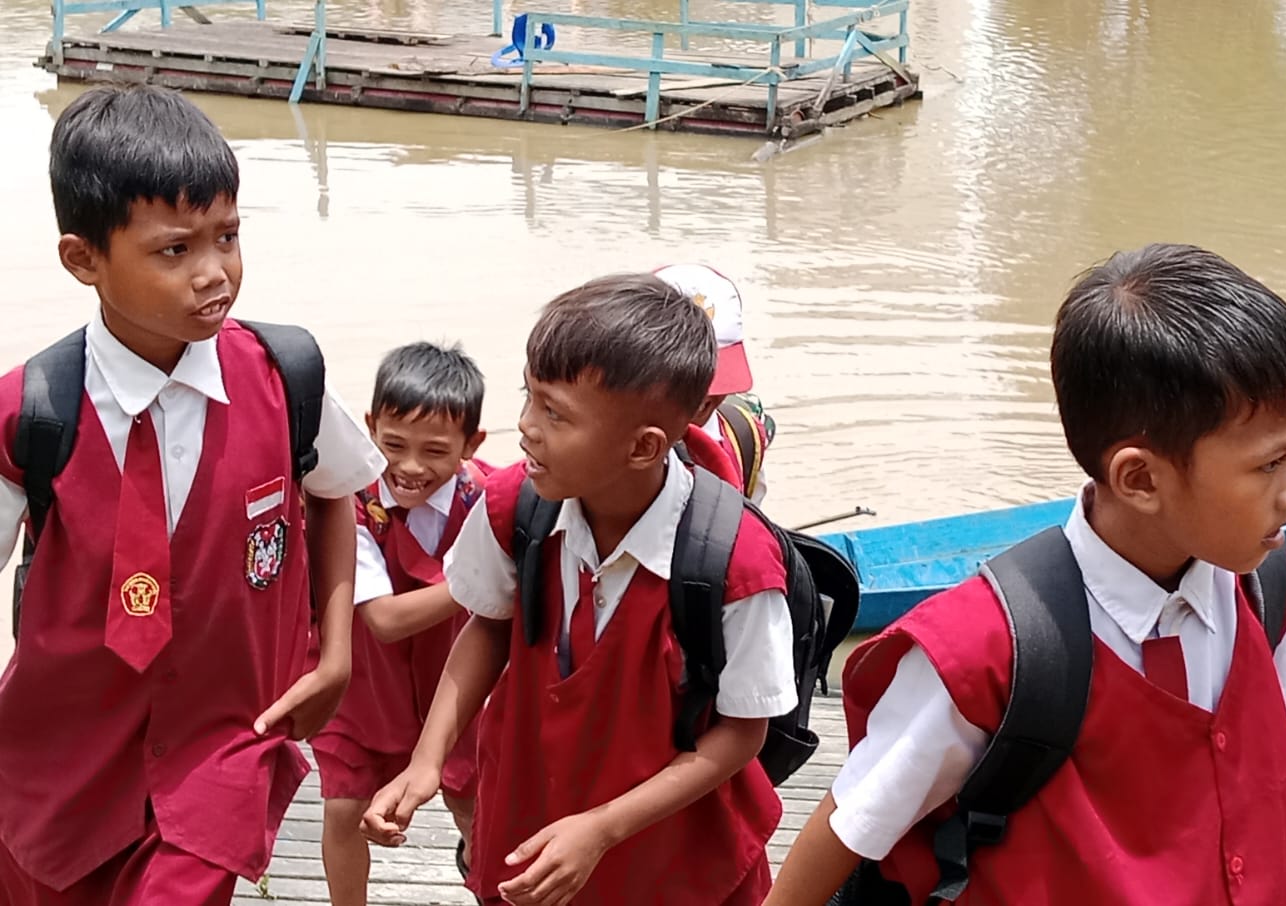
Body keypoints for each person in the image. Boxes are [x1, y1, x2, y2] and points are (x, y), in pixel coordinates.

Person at [765, 243, 1286, 905]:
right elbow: (848, 828)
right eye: (1270, 464)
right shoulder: (986, 655)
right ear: (1140, 478)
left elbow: (1282, 789)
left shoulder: (1265, 592)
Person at [0, 83, 385, 905]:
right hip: (58, 762)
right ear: (83, 259)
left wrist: (337, 651)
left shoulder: (287, 379)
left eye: (229, 237)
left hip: (224, 752)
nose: (216, 273)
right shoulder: (28, 414)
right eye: (175, 250)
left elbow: (337, 492)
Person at [362, 273, 796, 906]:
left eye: (556, 414)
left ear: (643, 446)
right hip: (532, 822)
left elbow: (742, 734)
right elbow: (487, 625)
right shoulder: (515, 506)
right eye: (530, 397)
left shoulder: (736, 565)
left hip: (673, 858)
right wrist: (427, 760)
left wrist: (602, 828)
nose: (526, 428)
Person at [313, 341, 492, 904]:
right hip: (364, 686)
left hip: (459, 683)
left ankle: (486, 882)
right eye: (393, 445)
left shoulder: (490, 501)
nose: (411, 467)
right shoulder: (345, 497)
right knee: (344, 807)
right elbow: (384, 619)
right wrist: (483, 581)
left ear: (473, 444)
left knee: (475, 806)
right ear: (369, 427)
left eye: (435, 451)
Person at [655, 264, 774, 503]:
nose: (700, 398)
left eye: (712, 378)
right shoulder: (594, 444)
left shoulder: (744, 438)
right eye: (682, 379)